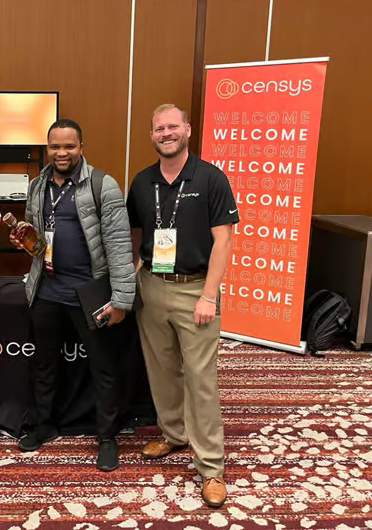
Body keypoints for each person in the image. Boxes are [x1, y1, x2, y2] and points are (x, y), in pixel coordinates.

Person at [127, 104, 238, 508]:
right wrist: (133, 277)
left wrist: (209, 295)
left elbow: (223, 240)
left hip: (195, 291)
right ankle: (174, 434)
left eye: (173, 126)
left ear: (187, 130)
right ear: (151, 135)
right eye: (159, 128)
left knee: (200, 378)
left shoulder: (210, 178)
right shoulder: (142, 182)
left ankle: (211, 466)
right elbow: (136, 233)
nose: (166, 133)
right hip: (152, 286)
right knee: (162, 370)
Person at [10, 119, 135, 472]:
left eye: (69, 146)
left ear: (81, 147)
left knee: (103, 368)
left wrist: (121, 300)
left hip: (90, 293)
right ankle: (43, 425)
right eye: (55, 146)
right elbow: (37, 237)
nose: (61, 153)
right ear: (47, 148)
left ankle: (107, 437)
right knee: (44, 365)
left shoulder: (102, 184)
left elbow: (119, 246)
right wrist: (26, 241)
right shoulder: (37, 185)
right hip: (47, 290)